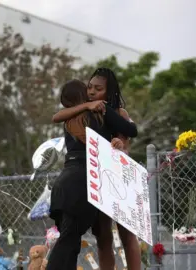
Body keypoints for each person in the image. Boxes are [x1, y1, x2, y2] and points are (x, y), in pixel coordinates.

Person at [51, 68, 141, 270]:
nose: (91, 92)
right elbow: (58, 116)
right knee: (103, 234)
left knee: (127, 234)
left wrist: (120, 143)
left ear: (109, 92)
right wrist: (88, 105)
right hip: (97, 178)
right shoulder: (87, 111)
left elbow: (128, 136)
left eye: (98, 89)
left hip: (118, 177)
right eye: (89, 87)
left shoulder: (117, 113)